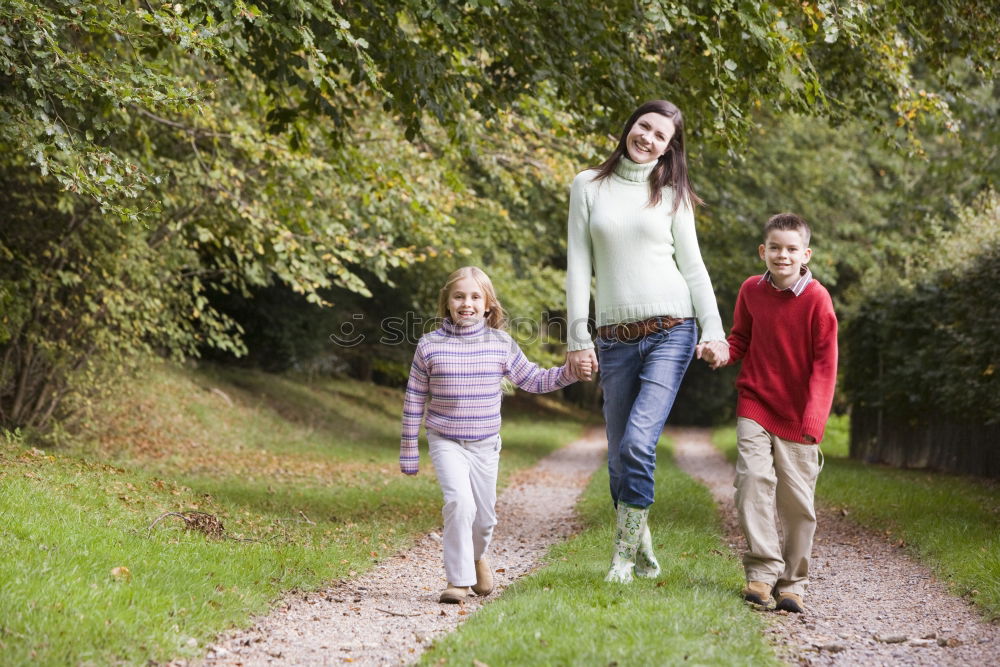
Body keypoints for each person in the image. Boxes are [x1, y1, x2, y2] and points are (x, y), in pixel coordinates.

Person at [565, 100, 730, 583]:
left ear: (669, 148)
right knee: (618, 454)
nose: (649, 138)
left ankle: (620, 558)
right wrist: (578, 340)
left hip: (672, 330)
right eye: (644, 126)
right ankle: (640, 541)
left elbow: (694, 269)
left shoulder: (673, 195)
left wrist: (714, 330)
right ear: (629, 126)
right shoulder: (587, 185)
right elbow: (579, 268)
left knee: (638, 442)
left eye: (661, 136)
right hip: (613, 339)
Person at [400, 266, 584, 603]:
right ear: (447, 302)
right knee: (458, 503)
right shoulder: (429, 346)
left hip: (485, 444)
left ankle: (476, 555)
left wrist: (570, 372)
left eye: (474, 297)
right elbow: (414, 398)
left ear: (487, 305)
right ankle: (458, 580)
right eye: (459, 296)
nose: (466, 303)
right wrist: (409, 447)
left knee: (484, 517)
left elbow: (534, 380)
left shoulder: (500, 343)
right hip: (446, 440)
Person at [704, 213, 838, 613]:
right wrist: (721, 352)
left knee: (797, 502)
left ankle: (793, 583)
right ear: (763, 251)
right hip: (756, 402)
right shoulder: (751, 290)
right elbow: (740, 338)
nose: (783, 255)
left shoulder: (817, 299)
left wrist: (814, 419)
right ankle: (761, 574)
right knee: (751, 482)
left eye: (791, 249)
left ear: (805, 254)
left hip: (799, 414)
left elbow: (825, 364)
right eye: (775, 248)